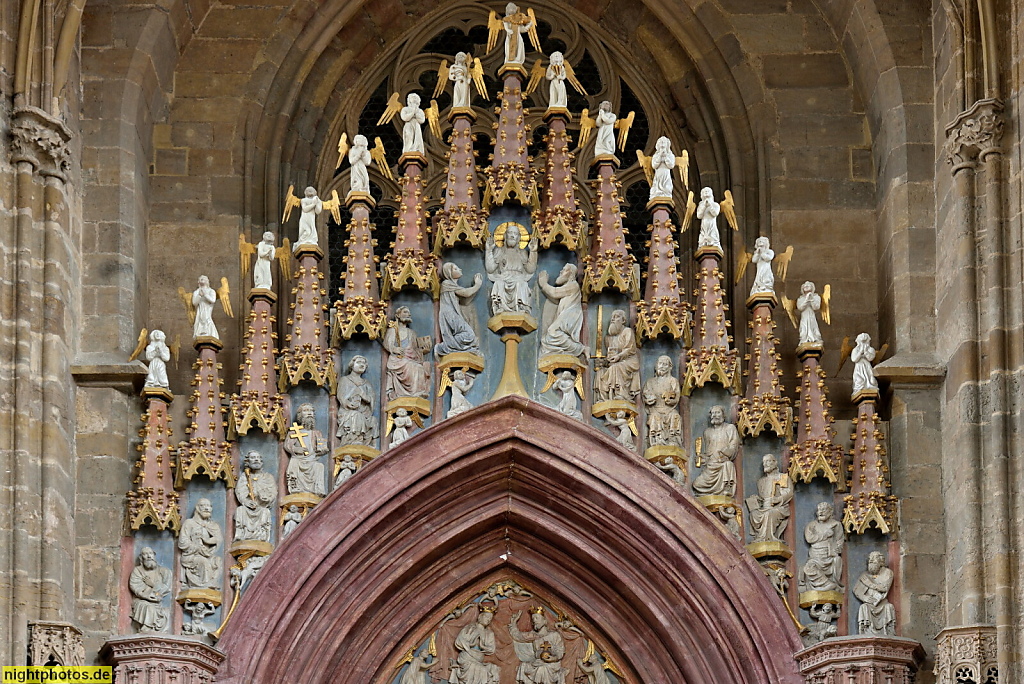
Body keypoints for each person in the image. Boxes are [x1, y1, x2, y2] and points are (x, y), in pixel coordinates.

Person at [485, 224, 538, 315]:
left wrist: (533, 252)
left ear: (518, 238)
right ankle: (500, 307)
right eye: (510, 232)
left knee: (521, 284)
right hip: (503, 277)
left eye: (515, 233)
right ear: (505, 235)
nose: (512, 235)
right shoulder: (499, 251)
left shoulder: (522, 253)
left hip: (518, 277)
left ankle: (521, 307)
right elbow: (490, 269)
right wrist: (489, 250)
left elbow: (530, 269)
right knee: (499, 284)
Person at [692, 405, 740, 498]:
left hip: (722, 463)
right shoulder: (708, 432)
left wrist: (724, 453)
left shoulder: (730, 428)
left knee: (728, 464)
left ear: (723, 415)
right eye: (713, 413)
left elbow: (734, 446)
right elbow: (708, 452)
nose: (715, 415)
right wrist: (702, 458)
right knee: (696, 484)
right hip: (711, 465)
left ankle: (726, 489)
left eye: (718, 412)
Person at [383, 307, 431, 399]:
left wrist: (423, 351)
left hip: (410, 358)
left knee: (421, 367)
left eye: (409, 313)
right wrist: (394, 349)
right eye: (405, 312)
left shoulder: (412, 333)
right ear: (397, 315)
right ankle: (408, 394)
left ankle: (418, 392)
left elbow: (414, 350)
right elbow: (387, 344)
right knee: (413, 367)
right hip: (398, 359)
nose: (408, 314)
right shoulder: (393, 330)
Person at [435, 263, 482, 357]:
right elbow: (466, 293)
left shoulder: (452, 285)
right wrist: (477, 285)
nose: (459, 269)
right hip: (450, 313)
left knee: (469, 336)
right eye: (455, 269)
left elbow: (465, 301)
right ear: (449, 273)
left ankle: (457, 347)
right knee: (469, 335)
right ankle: (443, 347)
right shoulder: (447, 283)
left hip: (452, 313)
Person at [538, 263, 584, 357]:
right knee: (547, 338)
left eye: (564, 270)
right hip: (565, 315)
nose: (561, 272)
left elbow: (555, 293)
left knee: (552, 332)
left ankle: (581, 349)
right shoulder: (567, 287)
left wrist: (544, 284)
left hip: (570, 315)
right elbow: (555, 298)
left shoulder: (573, 285)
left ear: (571, 274)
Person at [745, 454, 793, 543]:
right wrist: (757, 499)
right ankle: (760, 537)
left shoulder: (782, 477)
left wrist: (777, 499)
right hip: (765, 506)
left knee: (769, 514)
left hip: (778, 507)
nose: (765, 464)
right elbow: (763, 498)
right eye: (764, 462)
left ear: (775, 463)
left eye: (768, 461)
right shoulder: (761, 481)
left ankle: (768, 539)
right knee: (754, 513)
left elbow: (788, 493)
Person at [509, 609, 565, 684]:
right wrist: (514, 622)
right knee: (523, 666)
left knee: (542, 669)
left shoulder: (554, 635)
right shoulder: (533, 635)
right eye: (533, 619)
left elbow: (560, 650)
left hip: (551, 664)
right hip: (537, 662)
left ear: (544, 621)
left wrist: (553, 658)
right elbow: (517, 636)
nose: (534, 621)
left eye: (537, 618)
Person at [593, 309, 640, 401]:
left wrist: (619, 356)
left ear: (623, 320)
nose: (613, 319)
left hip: (629, 361)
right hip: (615, 363)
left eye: (617, 316)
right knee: (600, 372)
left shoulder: (627, 331)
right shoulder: (608, 338)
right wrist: (604, 362)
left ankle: (622, 394)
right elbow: (610, 356)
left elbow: (630, 349)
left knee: (616, 368)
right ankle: (604, 398)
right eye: (612, 317)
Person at [449, 604, 501, 684]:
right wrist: (470, 646)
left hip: (478, 657)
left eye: (490, 618)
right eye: (486, 617)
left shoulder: (489, 633)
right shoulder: (470, 628)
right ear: (480, 616)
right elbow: (459, 641)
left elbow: (491, 649)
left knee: (486, 670)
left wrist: (482, 646)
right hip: (467, 656)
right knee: (481, 670)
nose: (488, 620)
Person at [799, 502, 845, 592]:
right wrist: (825, 534)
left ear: (830, 512)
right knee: (809, 567)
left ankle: (832, 584)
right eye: (819, 510)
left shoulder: (836, 525)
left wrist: (836, 549)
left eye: (823, 510)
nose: (821, 512)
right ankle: (826, 584)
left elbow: (840, 540)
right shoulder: (812, 525)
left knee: (837, 560)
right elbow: (810, 539)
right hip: (816, 556)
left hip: (829, 556)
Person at [284, 403, 328, 496]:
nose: (309, 413)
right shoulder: (294, 431)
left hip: (312, 459)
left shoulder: (316, 433)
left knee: (319, 466)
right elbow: (287, 445)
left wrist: (322, 449)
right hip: (299, 459)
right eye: (306, 411)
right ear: (300, 415)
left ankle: (318, 490)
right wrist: (296, 449)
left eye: (311, 411)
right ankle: (295, 487)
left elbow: (321, 446)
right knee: (294, 464)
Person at [233, 451, 277, 543]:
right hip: (248, 507)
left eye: (258, 458)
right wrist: (246, 502)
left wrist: (265, 499)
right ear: (247, 462)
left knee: (265, 512)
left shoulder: (268, 477)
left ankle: (261, 536)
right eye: (253, 458)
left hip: (261, 506)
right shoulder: (244, 477)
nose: (256, 460)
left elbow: (272, 492)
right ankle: (241, 536)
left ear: (261, 461)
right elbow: (240, 491)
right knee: (240, 510)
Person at [178, 498, 222, 589]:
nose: (207, 508)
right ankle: (204, 585)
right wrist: (197, 547)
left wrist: (206, 540)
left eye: (209, 506)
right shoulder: (189, 523)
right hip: (192, 555)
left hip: (207, 553)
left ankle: (211, 583)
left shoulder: (213, 525)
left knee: (217, 561)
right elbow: (183, 541)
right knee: (203, 562)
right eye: (203, 505)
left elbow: (218, 539)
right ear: (197, 508)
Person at [336, 355, 378, 447]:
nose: (362, 365)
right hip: (348, 412)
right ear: (352, 365)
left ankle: (369, 444)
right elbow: (341, 396)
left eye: (364, 363)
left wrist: (363, 395)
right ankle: (352, 440)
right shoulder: (345, 380)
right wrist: (349, 404)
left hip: (364, 412)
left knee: (373, 420)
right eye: (359, 362)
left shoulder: (366, 383)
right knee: (356, 415)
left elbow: (371, 399)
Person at [642, 355, 682, 448]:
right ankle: (657, 440)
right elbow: (645, 395)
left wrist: (670, 401)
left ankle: (673, 440)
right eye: (660, 364)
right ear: (656, 365)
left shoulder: (673, 381)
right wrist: (649, 400)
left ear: (669, 367)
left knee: (675, 416)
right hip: (655, 409)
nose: (662, 366)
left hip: (668, 409)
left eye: (665, 364)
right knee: (655, 418)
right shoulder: (650, 382)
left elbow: (677, 397)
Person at [129, 547, 171, 633]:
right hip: (142, 599)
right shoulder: (137, 571)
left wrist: (152, 585)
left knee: (160, 611)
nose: (149, 556)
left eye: (150, 553)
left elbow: (166, 587)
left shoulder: (163, 571)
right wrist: (147, 596)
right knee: (148, 607)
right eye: (145, 554)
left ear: (154, 556)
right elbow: (135, 587)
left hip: (157, 599)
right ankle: (146, 629)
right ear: (141, 558)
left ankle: (150, 630)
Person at [854, 551, 896, 636]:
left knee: (889, 607)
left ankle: (887, 632)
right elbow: (856, 590)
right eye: (870, 558)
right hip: (870, 604)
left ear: (881, 561)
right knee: (863, 607)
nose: (871, 560)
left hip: (882, 603)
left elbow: (884, 588)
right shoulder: (864, 575)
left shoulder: (887, 573)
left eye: (874, 558)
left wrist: (869, 583)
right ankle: (866, 632)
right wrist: (865, 598)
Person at [192, 275, 218, 339]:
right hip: (200, 309)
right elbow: (194, 303)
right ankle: (200, 333)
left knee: (207, 319)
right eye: (200, 279)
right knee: (199, 320)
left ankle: (209, 333)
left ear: (207, 281)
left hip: (207, 309)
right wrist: (199, 296)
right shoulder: (196, 292)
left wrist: (205, 294)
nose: (202, 280)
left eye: (203, 279)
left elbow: (213, 300)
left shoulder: (211, 291)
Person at [797, 281, 823, 346]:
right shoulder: (800, 298)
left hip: (811, 315)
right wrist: (806, 299)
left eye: (808, 286)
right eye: (804, 286)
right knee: (804, 330)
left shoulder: (816, 297)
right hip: (804, 315)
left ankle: (814, 339)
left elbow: (816, 307)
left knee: (813, 327)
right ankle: (804, 340)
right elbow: (800, 307)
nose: (806, 287)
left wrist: (811, 299)